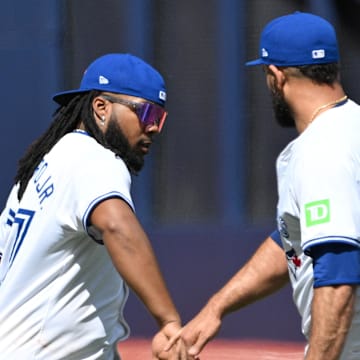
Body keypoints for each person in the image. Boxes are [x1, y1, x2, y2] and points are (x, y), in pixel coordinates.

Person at [166, 12, 360, 360]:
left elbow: (339, 275)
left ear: (276, 76)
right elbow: (294, 238)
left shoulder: (322, 151)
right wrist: (217, 306)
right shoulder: (350, 129)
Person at [0, 53, 192, 360]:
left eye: (160, 118)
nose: (154, 128)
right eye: (146, 114)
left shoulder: (47, 163)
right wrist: (168, 320)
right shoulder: (93, 159)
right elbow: (117, 226)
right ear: (101, 108)